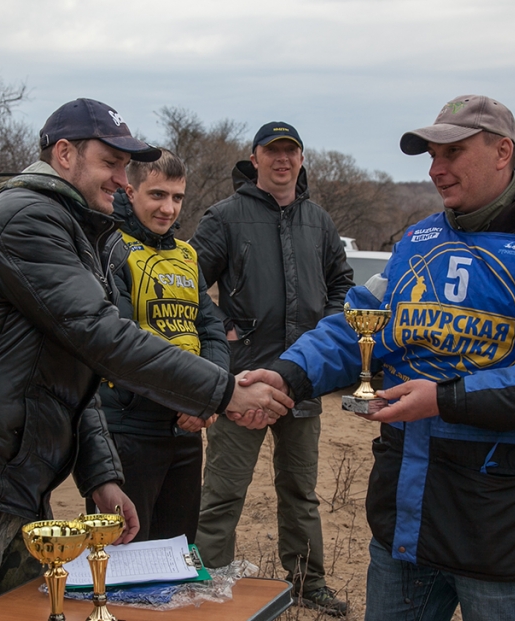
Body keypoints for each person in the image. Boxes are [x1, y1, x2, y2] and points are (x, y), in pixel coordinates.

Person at [252, 95, 515, 620]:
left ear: (502, 152)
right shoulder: (418, 241)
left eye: (452, 152)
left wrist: (445, 400)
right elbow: (357, 328)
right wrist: (289, 374)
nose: (436, 170)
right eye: (431, 155)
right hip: (405, 516)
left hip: (502, 523)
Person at [0, 99, 293, 604]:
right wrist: (221, 393)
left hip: (14, 481)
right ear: (64, 154)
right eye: (111, 163)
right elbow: (104, 338)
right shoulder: (29, 220)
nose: (122, 180)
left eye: (126, 166)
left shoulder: (73, 228)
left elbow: (71, 367)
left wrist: (101, 476)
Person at [191, 121, 354, 616]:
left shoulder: (319, 222)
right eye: (273, 150)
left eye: (292, 150)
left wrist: (325, 337)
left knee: (300, 491)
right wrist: (222, 332)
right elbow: (187, 284)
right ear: (255, 157)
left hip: (301, 382)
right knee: (223, 493)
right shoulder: (225, 217)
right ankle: (209, 581)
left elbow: (342, 284)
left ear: (302, 159)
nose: (282, 159)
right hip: (241, 383)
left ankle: (308, 582)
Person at [82, 150, 228, 543]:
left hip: (186, 429)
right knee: (123, 554)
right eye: (157, 195)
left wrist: (206, 397)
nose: (168, 209)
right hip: (129, 430)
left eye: (177, 198)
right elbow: (119, 344)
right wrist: (191, 395)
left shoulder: (187, 254)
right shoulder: (108, 248)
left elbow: (211, 328)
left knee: (176, 552)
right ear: (130, 192)